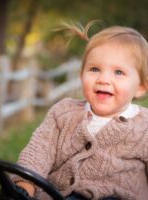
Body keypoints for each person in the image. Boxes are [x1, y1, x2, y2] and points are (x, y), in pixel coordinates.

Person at [11, 21, 148, 200]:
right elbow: (38, 153)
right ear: (81, 75)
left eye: (119, 72)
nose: (103, 79)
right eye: (95, 69)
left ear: (141, 87)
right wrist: (24, 187)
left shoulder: (144, 127)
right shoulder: (63, 112)